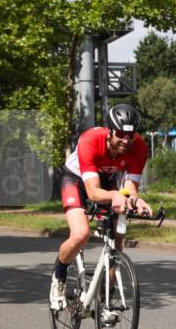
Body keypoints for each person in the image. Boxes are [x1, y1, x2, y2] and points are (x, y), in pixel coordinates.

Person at [50, 104, 152, 310]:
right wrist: (115, 195)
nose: (126, 140)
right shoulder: (91, 140)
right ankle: (58, 278)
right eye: (121, 134)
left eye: (131, 135)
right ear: (110, 131)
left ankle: (107, 296)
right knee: (81, 234)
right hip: (77, 180)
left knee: (117, 235)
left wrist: (135, 200)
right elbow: (93, 192)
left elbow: (130, 188)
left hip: (107, 181)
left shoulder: (139, 147)